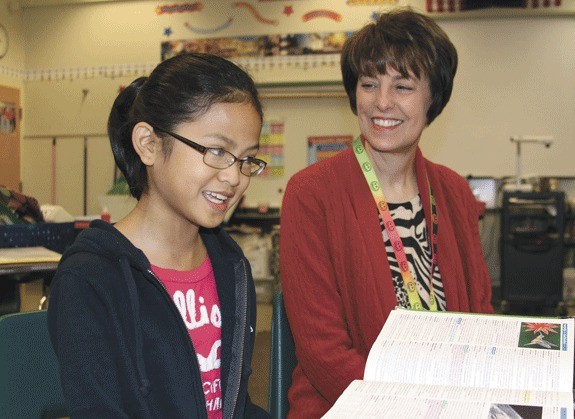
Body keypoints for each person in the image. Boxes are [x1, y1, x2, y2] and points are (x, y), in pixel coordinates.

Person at [279, 8, 494, 418]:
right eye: (369, 83)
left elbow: (480, 315)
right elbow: (323, 353)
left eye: (403, 86)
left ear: (434, 97)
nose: (382, 102)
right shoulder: (311, 194)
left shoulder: (453, 190)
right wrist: (418, 404)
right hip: (349, 403)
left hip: (451, 399)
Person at [47, 53, 270, 418]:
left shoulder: (230, 265)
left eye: (246, 159)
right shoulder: (91, 278)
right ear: (149, 144)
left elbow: (232, 405)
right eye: (216, 151)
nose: (234, 178)